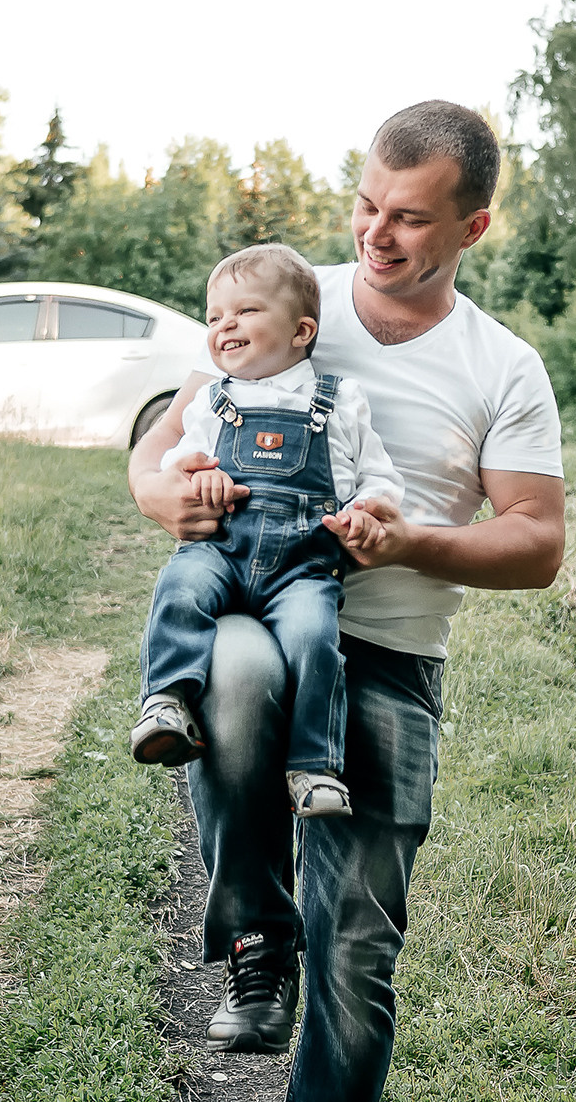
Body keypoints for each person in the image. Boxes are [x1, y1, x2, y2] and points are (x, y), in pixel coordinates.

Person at [127, 100, 565, 1102]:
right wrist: (170, 502)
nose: (376, 235)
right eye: (366, 207)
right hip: (263, 617)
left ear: (473, 223)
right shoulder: (282, 298)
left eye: (410, 219)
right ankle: (254, 931)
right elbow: (157, 450)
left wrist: (414, 537)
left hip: (390, 656)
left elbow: (536, 543)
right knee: (241, 677)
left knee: (363, 951)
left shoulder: (501, 367)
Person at [130, 244, 402, 819]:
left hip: (303, 566)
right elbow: (182, 460)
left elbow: (377, 473)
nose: (226, 324)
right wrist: (195, 479)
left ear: (302, 330)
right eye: (214, 316)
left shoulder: (339, 400)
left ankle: (315, 766)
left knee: (315, 638)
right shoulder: (211, 400)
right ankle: (166, 701)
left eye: (246, 311)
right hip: (221, 550)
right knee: (181, 590)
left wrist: (371, 508)